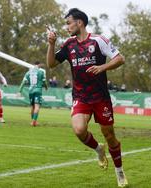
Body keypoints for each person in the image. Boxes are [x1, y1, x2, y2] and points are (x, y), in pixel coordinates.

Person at [47, 8, 128, 187]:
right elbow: (51, 64)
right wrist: (51, 44)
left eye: (69, 23)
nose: (67, 27)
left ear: (80, 23)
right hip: (81, 97)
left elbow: (120, 58)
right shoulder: (69, 45)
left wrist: (101, 67)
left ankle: (119, 172)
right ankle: (99, 150)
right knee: (78, 129)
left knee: (110, 136)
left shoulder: (99, 40)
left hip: (101, 98)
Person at [18, 61, 48, 126]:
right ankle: (34, 121)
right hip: (38, 90)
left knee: (32, 106)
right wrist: (46, 87)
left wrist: (19, 91)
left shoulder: (28, 73)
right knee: (37, 106)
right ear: (39, 65)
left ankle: (33, 121)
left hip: (30, 91)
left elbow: (23, 82)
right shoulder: (41, 72)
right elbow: (44, 82)